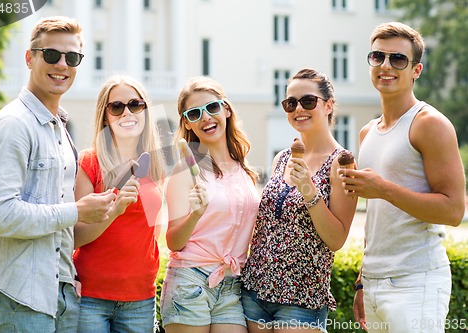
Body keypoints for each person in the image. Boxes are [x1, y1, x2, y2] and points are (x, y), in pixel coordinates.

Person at [0, 16, 117, 333]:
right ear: (30, 58)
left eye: (73, 57)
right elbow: (0, 215)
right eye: (51, 55)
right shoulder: (12, 125)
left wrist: (106, 211)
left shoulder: (60, 127)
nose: (62, 65)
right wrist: (76, 211)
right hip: (20, 296)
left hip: (58, 293)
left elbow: (63, 228)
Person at [340, 22, 466, 333]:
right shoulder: (368, 132)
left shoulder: (430, 124)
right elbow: (376, 218)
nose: (385, 66)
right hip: (373, 282)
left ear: (416, 70)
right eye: (377, 56)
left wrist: (382, 188)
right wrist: (361, 282)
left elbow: (453, 211)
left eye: (397, 59)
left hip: (416, 280)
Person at [241, 68, 357, 333]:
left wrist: (309, 191)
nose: (298, 109)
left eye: (308, 101)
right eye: (290, 103)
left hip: (301, 299)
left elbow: (337, 239)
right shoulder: (282, 158)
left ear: (328, 105)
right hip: (255, 291)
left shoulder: (342, 163)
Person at [160, 76, 260, 333]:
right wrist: (195, 215)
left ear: (226, 109)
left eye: (212, 107)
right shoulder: (185, 171)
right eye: (195, 113)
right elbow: (173, 242)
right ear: (187, 123)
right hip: (190, 281)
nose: (206, 117)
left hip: (231, 284)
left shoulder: (244, 169)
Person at [73, 74, 166, 333]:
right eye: (116, 106)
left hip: (140, 298)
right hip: (91, 298)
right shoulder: (89, 163)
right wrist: (114, 211)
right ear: (105, 115)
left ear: (145, 111)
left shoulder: (155, 165)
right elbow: (75, 236)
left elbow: (152, 233)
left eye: (135, 105)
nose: (127, 112)